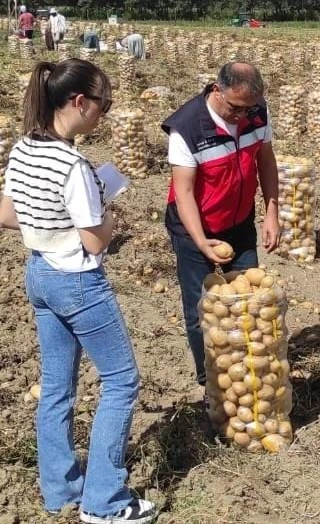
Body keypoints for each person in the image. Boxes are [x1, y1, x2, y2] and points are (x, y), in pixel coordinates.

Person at [0, 59, 156, 523]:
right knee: (122, 381)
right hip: (78, 281)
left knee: (57, 386)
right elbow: (95, 239)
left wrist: (51, 223)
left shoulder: (23, 147)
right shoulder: (72, 164)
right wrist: (105, 207)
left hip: (40, 274)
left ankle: (60, 489)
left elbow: (7, 215)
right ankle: (105, 502)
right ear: (79, 102)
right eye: (103, 105)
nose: (104, 114)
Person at [162, 61, 280, 389]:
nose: (243, 116)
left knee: (250, 301)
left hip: (239, 222)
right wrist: (201, 243)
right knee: (202, 306)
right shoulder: (187, 127)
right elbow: (184, 193)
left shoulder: (256, 112)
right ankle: (210, 380)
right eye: (236, 108)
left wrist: (271, 210)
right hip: (194, 227)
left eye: (250, 108)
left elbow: (265, 159)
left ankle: (245, 368)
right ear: (217, 90)